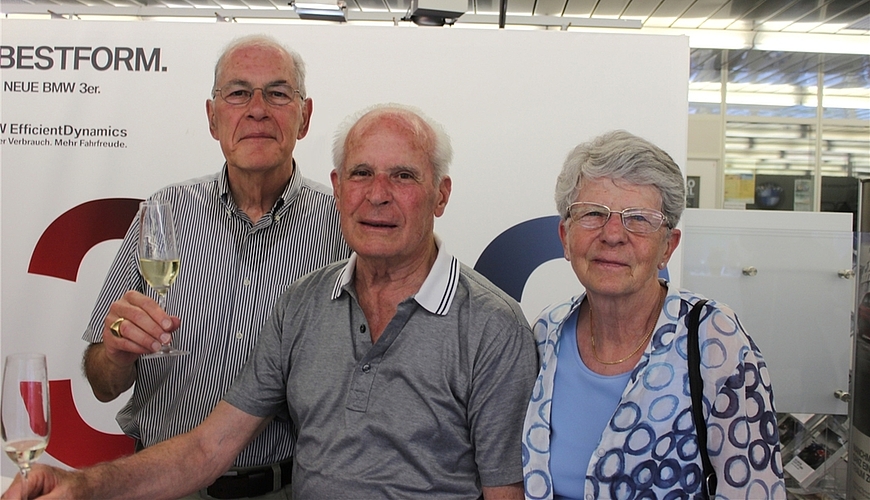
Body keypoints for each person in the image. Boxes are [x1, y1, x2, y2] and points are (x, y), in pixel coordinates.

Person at [5, 104, 538, 500]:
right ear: (337, 188)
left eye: (403, 175)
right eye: (361, 173)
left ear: (441, 194)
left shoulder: (492, 326)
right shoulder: (303, 304)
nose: (378, 194)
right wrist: (79, 488)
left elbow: (504, 493)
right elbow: (205, 449)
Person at [80, 34, 350, 499]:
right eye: (239, 92)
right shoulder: (163, 212)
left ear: (304, 117)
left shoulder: (344, 231)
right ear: (212, 118)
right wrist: (117, 353)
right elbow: (102, 382)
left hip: (285, 488)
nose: (258, 109)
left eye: (278, 93)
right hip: (160, 485)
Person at [522, 131, 785, 499]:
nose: (613, 234)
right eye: (593, 214)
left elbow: (756, 489)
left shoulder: (713, 339)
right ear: (565, 237)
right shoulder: (545, 334)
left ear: (668, 246)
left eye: (639, 219)